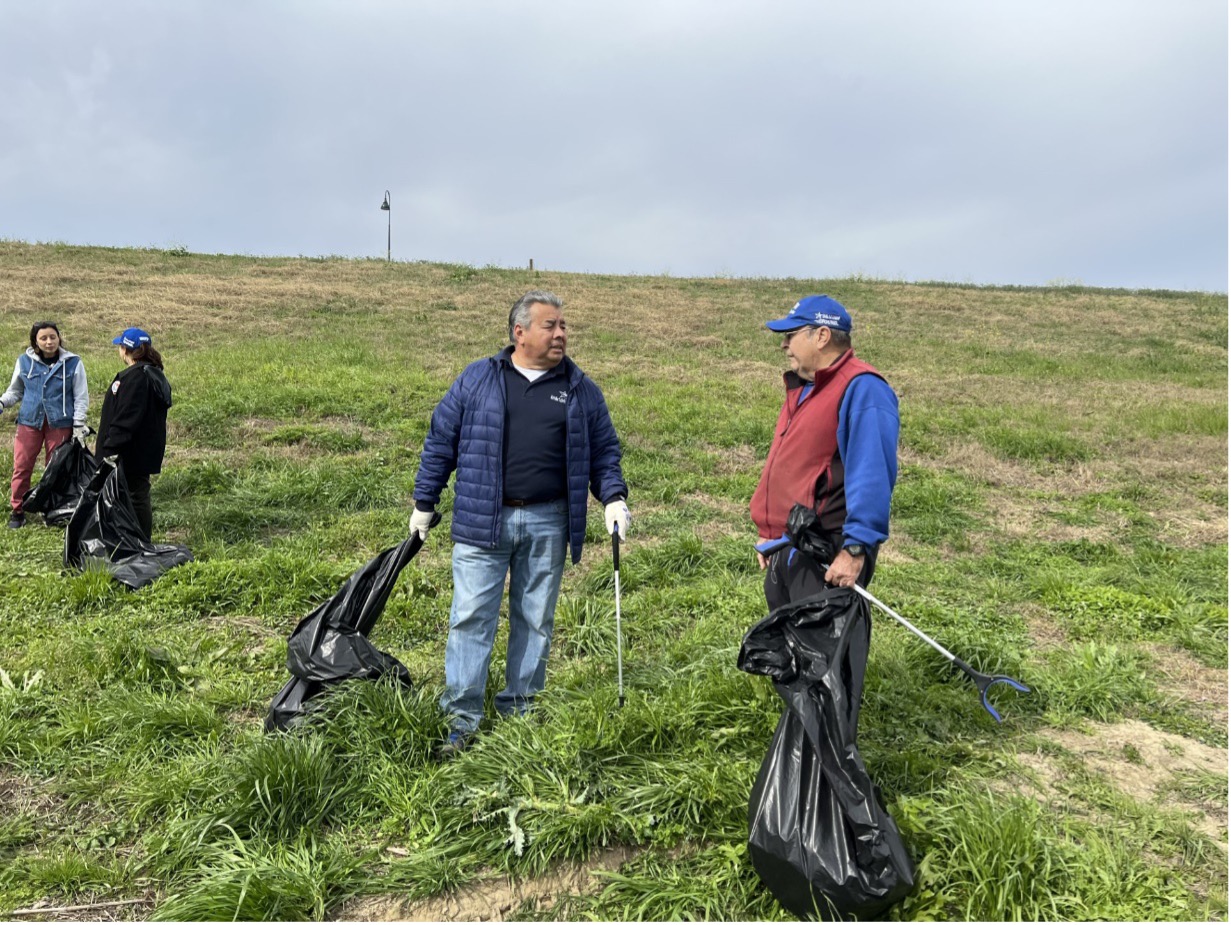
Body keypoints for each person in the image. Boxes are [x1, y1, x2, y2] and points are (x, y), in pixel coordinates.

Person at [411, 290, 630, 758]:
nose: (561, 334)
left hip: (548, 519)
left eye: (564, 326)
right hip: (481, 518)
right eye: (550, 326)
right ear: (519, 332)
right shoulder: (478, 379)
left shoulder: (580, 389)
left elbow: (604, 450)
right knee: (470, 618)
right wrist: (424, 502)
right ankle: (460, 721)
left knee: (535, 619)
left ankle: (520, 714)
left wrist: (613, 498)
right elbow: (440, 441)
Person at [751, 295, 899, 608]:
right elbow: (798, 469)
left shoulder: (862, 388)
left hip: (826, 551)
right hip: (791, 544)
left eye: (791, 335)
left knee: (822, 652)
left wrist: (855, 549)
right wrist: (771, 529)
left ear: (821, 336)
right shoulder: (806, 388)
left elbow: (872, 473)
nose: (784, 345)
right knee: (787, 651)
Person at [0, 321, 90, 529]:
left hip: (60, 423)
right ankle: (18, 510)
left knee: (55, 468)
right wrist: (3, 402)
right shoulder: (24, 361)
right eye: (43, 338)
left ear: (59, 338)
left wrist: (78, 424)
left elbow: (81, 396)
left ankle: (51, 508)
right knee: (22, 466)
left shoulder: (74, 363)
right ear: (36, 342)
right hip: (29, 422)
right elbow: (15, 391)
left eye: (52, 337)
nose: (49, 342)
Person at [95, 328, 172, 541]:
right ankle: (131, 538)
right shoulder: (153, 373)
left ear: (125, 349)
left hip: (130, 450)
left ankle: (139, 542)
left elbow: (126, 418)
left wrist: (110, 449)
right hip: (145, 447)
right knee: (134, 493)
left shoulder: (136, 377)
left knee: (136, 495)